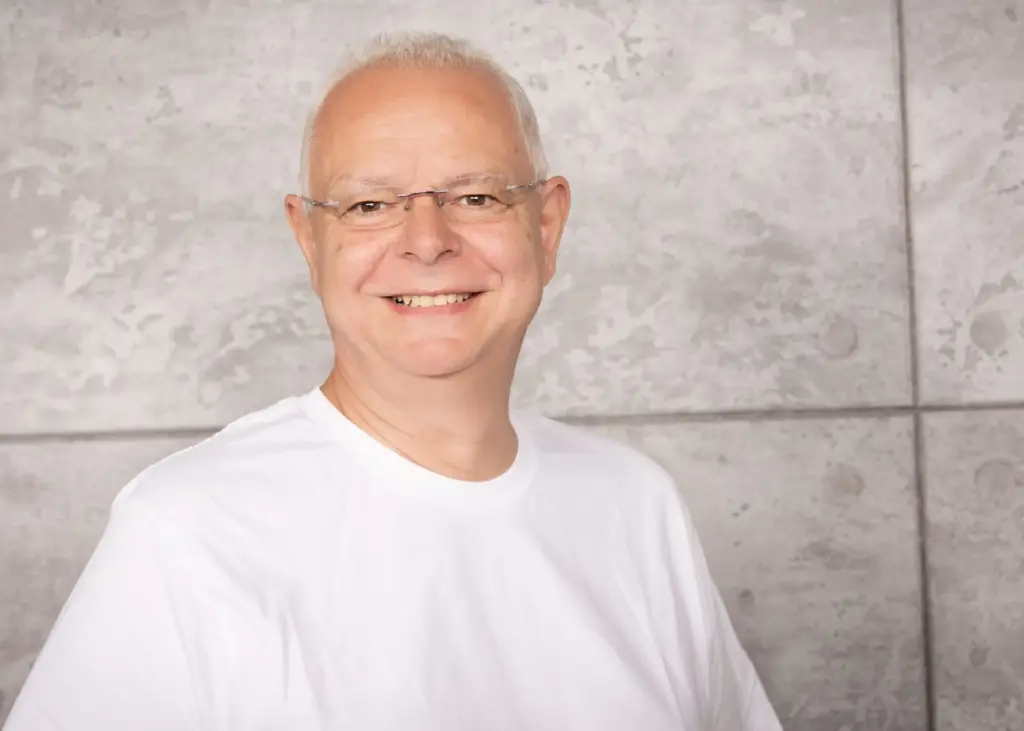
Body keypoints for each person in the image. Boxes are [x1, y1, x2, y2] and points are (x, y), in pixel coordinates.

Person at [4, 32, 783, 731]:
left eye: (476, 196)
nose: (427, 241)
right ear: (309, 239)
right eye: (370, 204)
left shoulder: (634, 505)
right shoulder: (186, 530)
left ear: (546, 225)